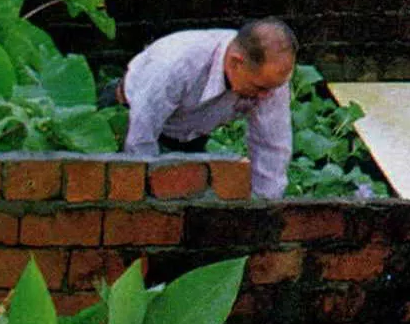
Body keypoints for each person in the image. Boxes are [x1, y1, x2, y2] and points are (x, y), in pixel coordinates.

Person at [108, 19, 297, 199]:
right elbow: (140, 140)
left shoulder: (269, 80)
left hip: (189, 137)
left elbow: (271, 147)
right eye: (260, 88)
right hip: (124, 120)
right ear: (235, 62)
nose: (267, 97)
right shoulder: (176, 64)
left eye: (273, 89)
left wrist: (266, 209)